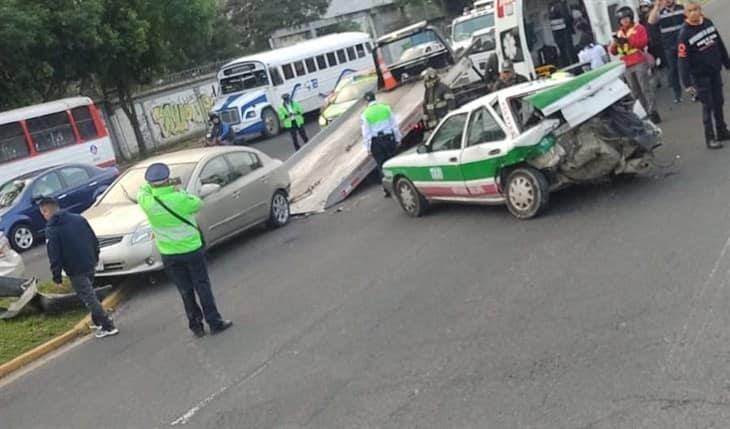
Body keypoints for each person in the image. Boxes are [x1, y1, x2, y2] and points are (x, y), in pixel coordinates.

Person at [137, 163, 232, 337]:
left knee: (185, 290)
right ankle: (214, 321)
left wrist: (153, 187)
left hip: (169, 254)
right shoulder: (180, 198)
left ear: (151, 183)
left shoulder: (148, 202)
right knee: (202, 286)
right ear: (167, 180)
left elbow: (141, 191)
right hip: (191, 250)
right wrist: (177, 189)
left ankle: (196, 326)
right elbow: (197, 203)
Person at [40, 197, 118, 339]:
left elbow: (54, 255)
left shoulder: (52, 230)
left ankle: (108, 324)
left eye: (43, 213)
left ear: (46, 211)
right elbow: (92, 238)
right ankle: (98, 322)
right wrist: (95, 256)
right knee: (90, 292)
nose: (43, 216)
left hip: (75, 268)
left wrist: (56, 276)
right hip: (90, 261)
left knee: (88, 297)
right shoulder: (78, 218)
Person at [677, 1, 730, 149]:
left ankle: (722, 131)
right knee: (708, 106)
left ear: (701, 10)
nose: (694, 12)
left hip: (714, 70)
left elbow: (718, 43)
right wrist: (687, 83)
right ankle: (710, 138)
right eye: (690, 10)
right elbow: (682, 59)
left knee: (719, 102)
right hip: (700, 76)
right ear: (685, 14)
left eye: (696, 9)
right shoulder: (684, 34)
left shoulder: (708, 23)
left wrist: (726, 62)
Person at [610, 6, 662, 124]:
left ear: (631, 17)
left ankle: (653, 111)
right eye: (622, 19)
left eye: (626, 18)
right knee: (635, 92)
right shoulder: (618, 33)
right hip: (626, 64)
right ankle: (646, 111)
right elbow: (613, 51)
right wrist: (615, 43)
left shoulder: (639, 28)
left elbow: (643, 42)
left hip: (639, 61)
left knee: (645, 88)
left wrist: (628, 41)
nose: (625, 21)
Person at [361, 91, 401, 198]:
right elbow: (394, 125)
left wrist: (368, 148)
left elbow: (367, 134)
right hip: (389, 139)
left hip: (377, 143)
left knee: (382, 166)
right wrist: (398, 139)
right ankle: (399, 186)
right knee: (393, 163)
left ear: (366, 101)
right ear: (375, 98)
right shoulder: (386, 108)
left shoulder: (365, 114)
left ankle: (387, 190)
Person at [649, 0, 685, 103]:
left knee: (689, 67)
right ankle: (677, 94)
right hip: (669, 46)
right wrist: (656, 7)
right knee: (673, 70)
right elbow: (651, 21)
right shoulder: (659, 12)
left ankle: (694, 90)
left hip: (684, 44)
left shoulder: (680, 8)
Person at [549, 0, 577, 68]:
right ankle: (575, 67)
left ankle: (566, 66)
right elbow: (566, 18)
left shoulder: (551, 7)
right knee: (570, 50)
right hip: (564, 31)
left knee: (562, 52)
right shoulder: (561, 5)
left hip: (556, 33)